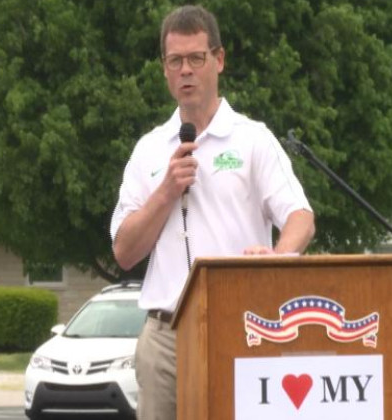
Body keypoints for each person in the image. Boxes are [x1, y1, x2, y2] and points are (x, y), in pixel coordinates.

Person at [110, 5, 315, 420]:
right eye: (175, 61)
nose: (186, 70)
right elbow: (124, 251)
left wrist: (277, 260)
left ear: (218, 60)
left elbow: (300, 217)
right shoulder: (149, 149)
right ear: (165, 70)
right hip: (164, 339)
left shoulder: (252, 139)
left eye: (196, 58)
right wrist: (165, 192)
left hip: (242, 328)